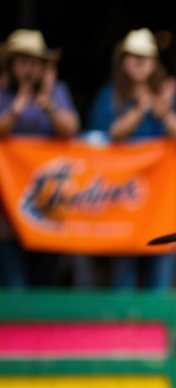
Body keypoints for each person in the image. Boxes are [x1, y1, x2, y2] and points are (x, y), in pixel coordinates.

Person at [88, 28, 176, 291]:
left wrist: (165, 112)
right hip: (122, 202)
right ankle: (123, 330)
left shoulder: (169, 94)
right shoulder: (109, 96)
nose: (139, 61)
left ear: (155, 62)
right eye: (133, 56)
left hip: (160, 203)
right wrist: (139, 110)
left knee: (161, 273)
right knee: (123, 273)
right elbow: (101, 138)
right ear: (122, 61)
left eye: (145, 56)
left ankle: (160, 331)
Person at [0, 29, 79, 288]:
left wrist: (48, 104)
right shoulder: (2, 93)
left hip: (48, 207)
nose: (29, 69)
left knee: (45, 282)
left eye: (34, 62)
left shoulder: (55, 92)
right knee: (15, 284)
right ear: (10, 64)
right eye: (22, 61)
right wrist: (16, 110)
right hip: (7, 211)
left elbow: (71, 128)